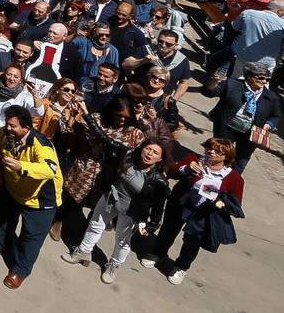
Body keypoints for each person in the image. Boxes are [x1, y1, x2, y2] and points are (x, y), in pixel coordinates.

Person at [61, 138, 169, 283]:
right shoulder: (129, 156)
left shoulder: (159, 181)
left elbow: (158, 207)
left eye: (155, 152)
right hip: (110, 197)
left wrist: (152, 225)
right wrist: (86, 115)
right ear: (142, 148)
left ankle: (114, 265)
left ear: (160, 158)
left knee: (122, 240)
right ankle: (83, 253)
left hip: (131, 211)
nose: (149, 154)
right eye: (148, 149)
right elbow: (105, 139)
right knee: (95, 225)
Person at [145, 137, 244, 285]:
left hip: (203, 214)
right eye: (209, 148)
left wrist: (219, 202)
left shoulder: (234, 178)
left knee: (192, 242)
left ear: (226, 157)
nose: (211, 152)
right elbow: (172, 172)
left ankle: (181, 267)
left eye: (217, 151)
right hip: (181, 203)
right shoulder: (194, 159)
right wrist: (186, 168)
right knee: (168, 230)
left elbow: (235, 205)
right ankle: (158, 253)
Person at [0, 105, 63, 290]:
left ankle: (20, 270)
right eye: (7, 123)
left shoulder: (42, 144)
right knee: (3, 221)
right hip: (12, 190)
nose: (8, 128)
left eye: (13, 126)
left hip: (40, 199)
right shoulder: (2, 135)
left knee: (31, 237)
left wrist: (22, 167)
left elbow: (49, 169)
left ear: (26, 129)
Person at [204, 61, 278, 171]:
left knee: (240, 162)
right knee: (217, 154)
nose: (264, 81)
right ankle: (208, 175)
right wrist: (213, 83)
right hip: (226, 126)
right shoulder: (232, 84)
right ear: (249, 76)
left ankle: (229, 184)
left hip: (250, 133)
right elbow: (209, 93)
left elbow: (275, 116)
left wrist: (269, 124)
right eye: (261, 78)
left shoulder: (270, 97)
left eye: (267, 79)